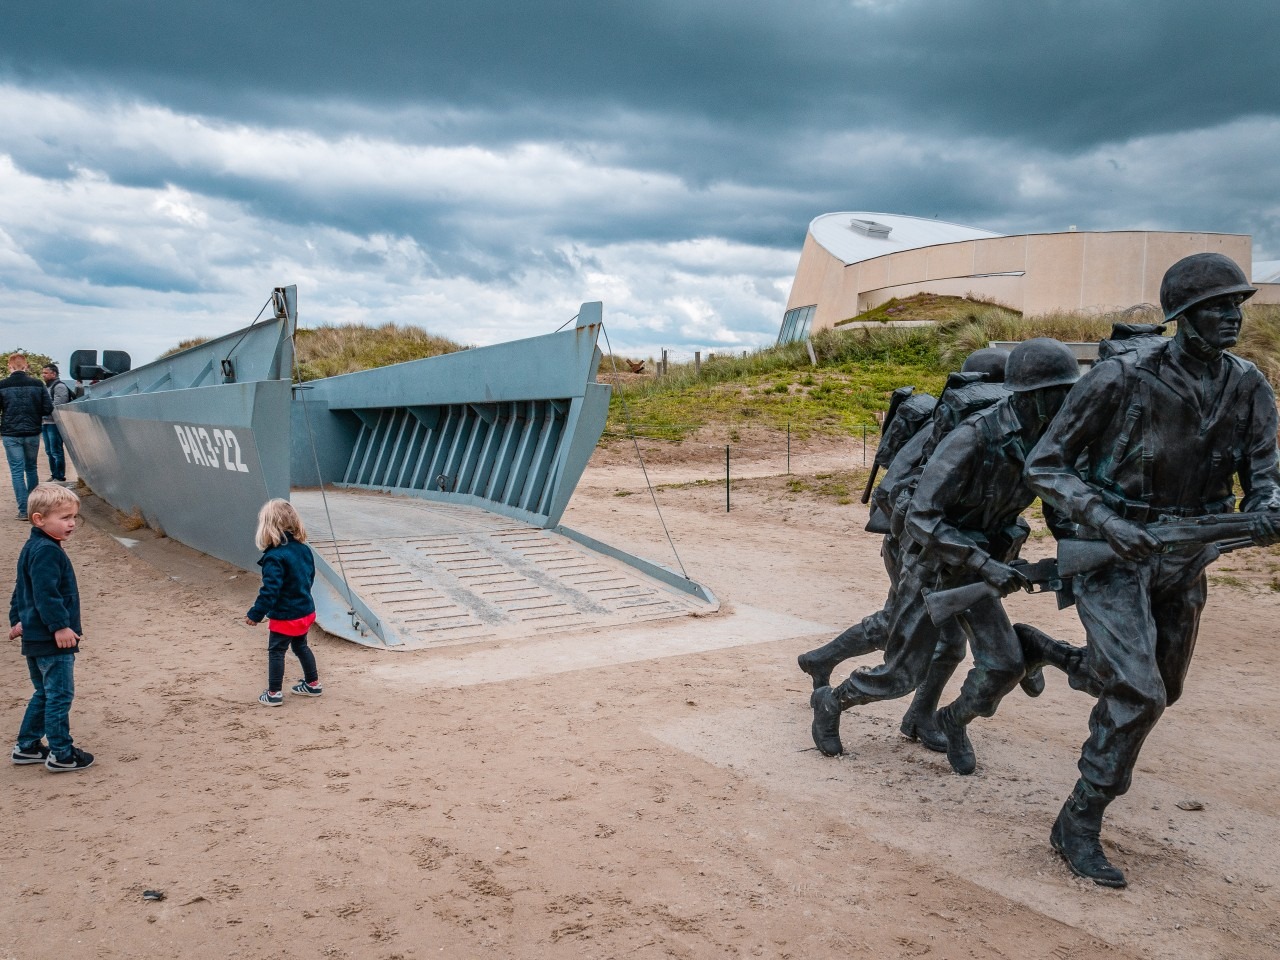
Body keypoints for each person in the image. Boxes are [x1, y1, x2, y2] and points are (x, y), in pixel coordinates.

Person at [1024, 252, 1280, 888]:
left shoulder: (1249, 384)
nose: (1233, 316)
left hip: (1187, 555)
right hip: (1115, 552)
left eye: (1237, 305)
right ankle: (1079, 820)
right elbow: (1045, 464)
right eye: (1219, 306)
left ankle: (1047, 653)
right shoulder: (1120, 378)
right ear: (1184, 317)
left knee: (1160, 687)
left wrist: (1269, 510)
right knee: (1138, 693)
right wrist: (1108, 524)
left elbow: (1266, 476)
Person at [809, 339, 1079, 760]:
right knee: (902, 673)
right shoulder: (973, 436)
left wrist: (1085, 550)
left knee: (1003, 663)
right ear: (1034, 395)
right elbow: (921, 516)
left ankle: (945, 720)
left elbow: (1058, 505)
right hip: (934, 566)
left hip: (980, 568)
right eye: (1061, 392)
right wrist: (980, 561)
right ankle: (833, 701)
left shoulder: (1044, 441)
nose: (1070, 401)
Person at [10, 483, 94, 771]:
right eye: (64, 517)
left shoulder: (33, 547)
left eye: (73, 517)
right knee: (59, 695)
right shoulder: (47, 551)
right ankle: (61, 752)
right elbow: (45, 593)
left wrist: (17, 619)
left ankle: (28, 746)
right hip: (51, 640)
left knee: (44, 693)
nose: (71, 524)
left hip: (35, 636)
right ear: (39, 519)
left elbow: (22, 589)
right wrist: (60, 626)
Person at [245, 499, 322, 706]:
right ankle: (312, 683)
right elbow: (309, 577)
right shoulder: (304, 550)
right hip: (305, 610)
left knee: (277, 651)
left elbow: (270, 590)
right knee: (301, 646)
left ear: (267, 526)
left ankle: (273, 693)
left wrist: (255, 613)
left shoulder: (274, 557)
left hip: (286, 615)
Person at [0, 354, 53, 520]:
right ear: (26, 367)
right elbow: (48, 408)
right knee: (31, 468)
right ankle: (34, 509)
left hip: (10, 433)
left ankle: (23, 511)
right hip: (32, 432)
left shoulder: (2, 385)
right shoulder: (38, 384)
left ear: (10, 367)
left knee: (16, 472)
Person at [41, 364, 73, 483]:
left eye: (45, 373)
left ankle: (59, 476)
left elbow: (58, 406)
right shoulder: (48, 387)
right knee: (49, 451)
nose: (43, 375)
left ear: (53, 374)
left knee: (56, 450)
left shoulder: (59, 387)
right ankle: (54, 474)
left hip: (54, 423)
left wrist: (43, 411)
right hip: (46, 422)